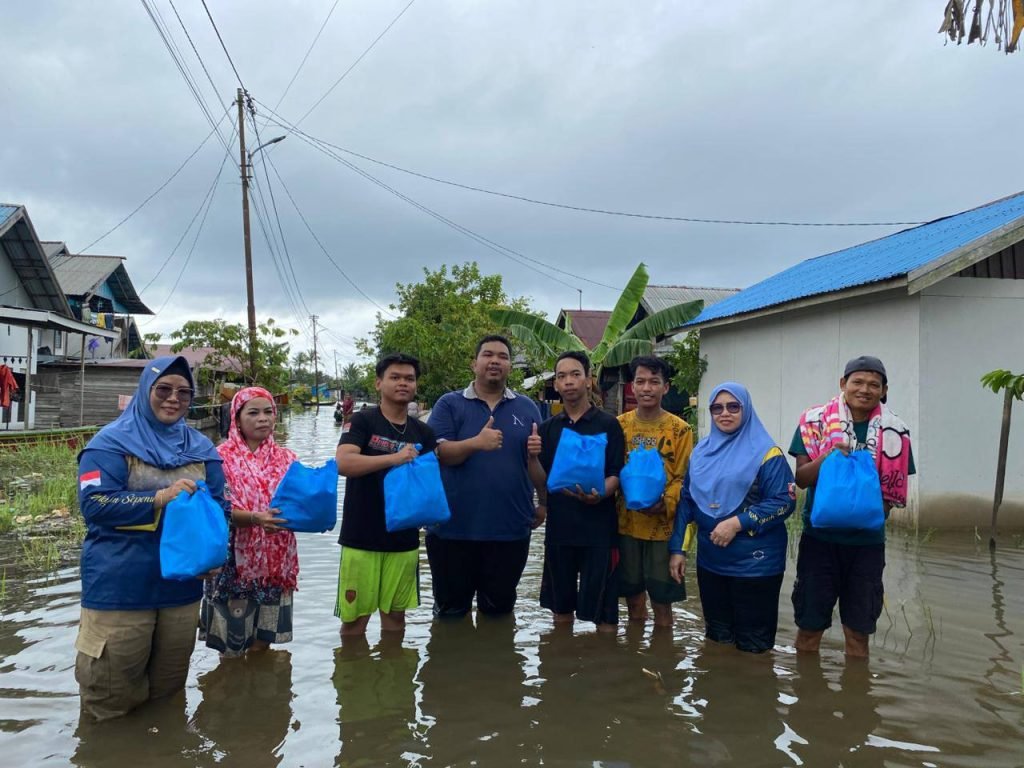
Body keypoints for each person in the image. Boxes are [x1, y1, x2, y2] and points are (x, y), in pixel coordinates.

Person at [74, 355, 227, 721]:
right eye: (164, 389)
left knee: (168, 697)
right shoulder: (109, 444)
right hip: (120, 588)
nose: (174, 399)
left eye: (184, 392)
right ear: (145, 390)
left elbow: (220, 508)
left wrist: (215, 556)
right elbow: (94, 504)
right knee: (109, 700)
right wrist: (157, 498)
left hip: (181, 591)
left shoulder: (202, 449)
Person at [789, 355, 913, 658]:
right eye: (858, 382)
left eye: (874, 384)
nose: (865, 390)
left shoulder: (895, 432)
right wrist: (830, 455)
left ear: (884, 390)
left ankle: (856, 686)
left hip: (867, 546)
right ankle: (808, 685)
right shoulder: (814, 422)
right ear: (843, 383)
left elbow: (892, 492)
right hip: (819, 542)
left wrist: (859, 508)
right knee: (809, 629)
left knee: (858, 634)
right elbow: (802, 479)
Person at [669, 382, 795, 654]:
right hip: (711, 564)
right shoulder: (700, 453)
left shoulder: (768, 453)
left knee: (754, 649)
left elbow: (784, 501)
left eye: (733, 406)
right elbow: (688, 503)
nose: (724, 413)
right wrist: (678, 549)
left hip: (756, 566)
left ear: (746, 409)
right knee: (716, 642)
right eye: (717, 408)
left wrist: (738, 523)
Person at [426, 335, 543, 619]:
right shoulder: (449, 404)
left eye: (503, 356)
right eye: (488, 355)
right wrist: (476, 443)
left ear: (510, 366)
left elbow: (537, 466)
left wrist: (544, 503)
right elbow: (438, 454)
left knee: (499, 616)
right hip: (452, 530)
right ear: (474, 364)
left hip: (510, 529)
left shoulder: (527, 407)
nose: (495, 361)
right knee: (450, 617)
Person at [335, 353, 437, 636]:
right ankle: (354, 666)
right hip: (361, 536)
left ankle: (393, 666)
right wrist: (394, 458)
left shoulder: (423, 432)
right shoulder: (362, 421)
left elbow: (429, 483)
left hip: (404, 539)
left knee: (395, 621)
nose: (403, 383)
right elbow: (343, 463)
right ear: (379, 383)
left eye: (409, 378)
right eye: (395, 377)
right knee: (354, 624)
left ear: (416, 385)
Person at [529, 351, 625, 631]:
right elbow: (542, 482)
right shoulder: (548, 429)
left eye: (575, 374)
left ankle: (603, 657)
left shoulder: (608, 424)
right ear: (556, 384)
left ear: (588, 380)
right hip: (560, 531)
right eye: (562, 376)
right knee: (560, 614)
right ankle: (564, 656)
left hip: (600, 532)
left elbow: (616, 474)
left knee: (605, 617)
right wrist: (532, 457)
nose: (568, 381)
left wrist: (600, 494)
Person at [200, 386, 298, 657]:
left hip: (276, 560)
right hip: (232, 560)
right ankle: (233, 680)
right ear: (237, 418)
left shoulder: (288, 459)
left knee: (263, 641)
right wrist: (256, 518)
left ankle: (257, 681)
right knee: (231, 646)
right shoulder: (219, 458)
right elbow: (216, 509)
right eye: (253, 413)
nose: (263, 419)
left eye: (268, 412)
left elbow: (299, 503)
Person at [616, 356, 693, 628]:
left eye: (654, 382)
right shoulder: (619, 426)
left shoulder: (680, 429)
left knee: (662, 603)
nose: (647, 388)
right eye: (640, 381)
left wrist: (666, 502)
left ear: (666, 387)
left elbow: (683, 477)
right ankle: (634, 650)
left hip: (663, 528)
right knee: (633, 601)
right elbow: (611, 471)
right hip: (626, 525)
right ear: (632, 386)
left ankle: (662, 651)